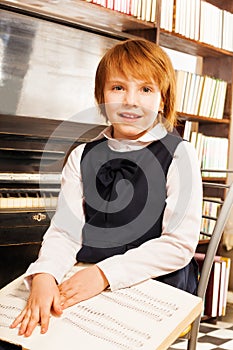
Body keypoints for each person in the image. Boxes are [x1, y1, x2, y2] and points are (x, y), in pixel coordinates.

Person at [10, 38, 202, 337]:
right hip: (87, 269)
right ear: (101, 94)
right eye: (118, 87)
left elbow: (179, 245)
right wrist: (45, 273)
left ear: (163, 100)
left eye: (146, 89)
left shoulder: (179, 155)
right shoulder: (80, 155)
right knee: (25, 331)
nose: (130, 101)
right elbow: (65, 232)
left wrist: (103, 275)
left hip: (156, 279)